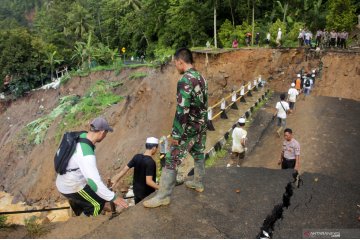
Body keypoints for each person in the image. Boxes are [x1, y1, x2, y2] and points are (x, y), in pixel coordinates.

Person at [143, 48, 208, 208]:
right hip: (201, 124)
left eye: (175, 64)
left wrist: (176, 135)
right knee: (198, 152)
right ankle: (198, 182)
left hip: (188, 128)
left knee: (171, 159)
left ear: (180, 61)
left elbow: (182, 110)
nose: (175, 67)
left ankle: (163, 196)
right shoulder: (200, 77)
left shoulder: (185, 80)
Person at [56, 117, 128, 216]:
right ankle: (90, 227)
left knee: (96, 197)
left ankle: (80, 213)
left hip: (65, 179)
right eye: (106, 133)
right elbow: (94, 183)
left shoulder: (81, 136)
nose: (105, 136)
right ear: (102, 132)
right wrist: (114, 198)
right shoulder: (86, 153)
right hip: (71, 185)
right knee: (97, 204)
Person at [112, 137, 159, 204]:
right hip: (147, 194)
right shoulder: (150, 162)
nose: (156, 150)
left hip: (136, 191)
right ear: (154, 148)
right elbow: (149, 181)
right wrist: (161, 188)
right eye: (157, 148)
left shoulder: (137, 156)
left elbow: (124, 170)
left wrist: (115, 180)